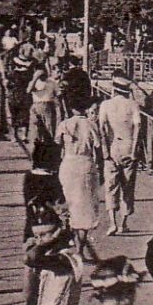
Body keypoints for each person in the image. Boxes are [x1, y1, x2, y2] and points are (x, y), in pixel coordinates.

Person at [21, 204, 81, 305]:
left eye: (44, 235)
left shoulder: (67, 257)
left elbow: (31, 257)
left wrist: (53, 239)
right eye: (36, 236)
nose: (39, 241)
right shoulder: (49, 257)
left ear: (57, 232)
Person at [55, 98, 106, 261]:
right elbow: (98, 151)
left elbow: (57, 146)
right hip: (85, 165)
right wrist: (101, 171)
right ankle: (80, 249)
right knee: (85, 209)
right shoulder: (92, 125)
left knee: (68, 205)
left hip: (68, 165)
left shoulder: (64, 125)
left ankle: (65, 243)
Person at [97, 77, 142, 235]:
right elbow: (138, 126)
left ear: (114, 90)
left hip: (112, 146)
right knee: (127, 185)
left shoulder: (106, 105)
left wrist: (104, 148)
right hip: (128, 145)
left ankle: (112, 223)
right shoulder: (132, 105)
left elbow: (102, 127)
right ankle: (123, 224)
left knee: (111, 186)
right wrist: (134, 149)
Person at [27, 61, 60, 147]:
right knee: (36, 128)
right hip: (36, 105)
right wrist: (35, 78)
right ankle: (38, 144)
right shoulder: (34, 83)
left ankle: (48, 145)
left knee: (49, 128)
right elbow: (28, 90)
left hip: (48, 105)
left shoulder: (51, 82)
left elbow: (58, 94)